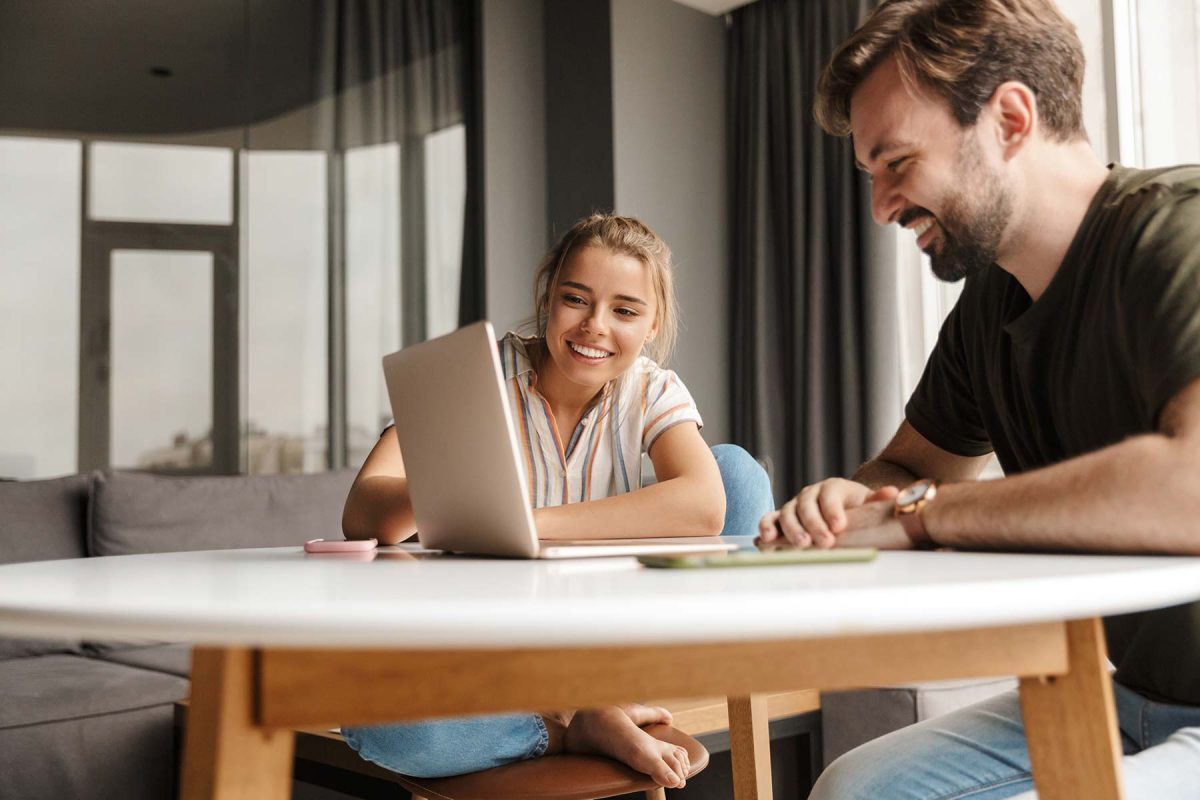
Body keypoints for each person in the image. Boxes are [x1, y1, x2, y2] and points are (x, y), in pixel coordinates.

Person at [756, 0, 1200, 797]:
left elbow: (1192, 489)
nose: (881, 207)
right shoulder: (988, 310)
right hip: (1130, 689)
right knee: (851, 789)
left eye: (896, 163)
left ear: (1010, 118)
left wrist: (923, 515)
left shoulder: (1179, 236)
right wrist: (849, 500)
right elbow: (908, 465)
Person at [340, 213, 774, 786]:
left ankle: (614, 697)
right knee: (379, 726)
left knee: (736, 474)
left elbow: (705, 507)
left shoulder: (652, 388)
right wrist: (449, 467)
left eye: (624, 310)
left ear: (652, 324)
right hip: (502, 657)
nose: (595, 326)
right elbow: (363, 516)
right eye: (576, 299)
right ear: (548, 299)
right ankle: (570, 725)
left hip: (625, 644)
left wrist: (527, 523)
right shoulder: (484, 375)